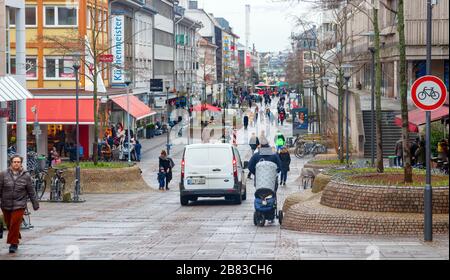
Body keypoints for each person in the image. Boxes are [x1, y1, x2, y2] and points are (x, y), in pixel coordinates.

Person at [0, 155, 40, 253]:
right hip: (6, 204)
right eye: (14, 162)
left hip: (20, 204)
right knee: (10, 224)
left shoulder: (26, 176)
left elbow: (31, 191)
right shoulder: (3, 174)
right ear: (11, 163)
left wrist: (35, 203)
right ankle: (16, 236)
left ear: (21, 163)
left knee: (15, 223)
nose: (16, 163)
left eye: (18, 162)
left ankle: (13, 244)